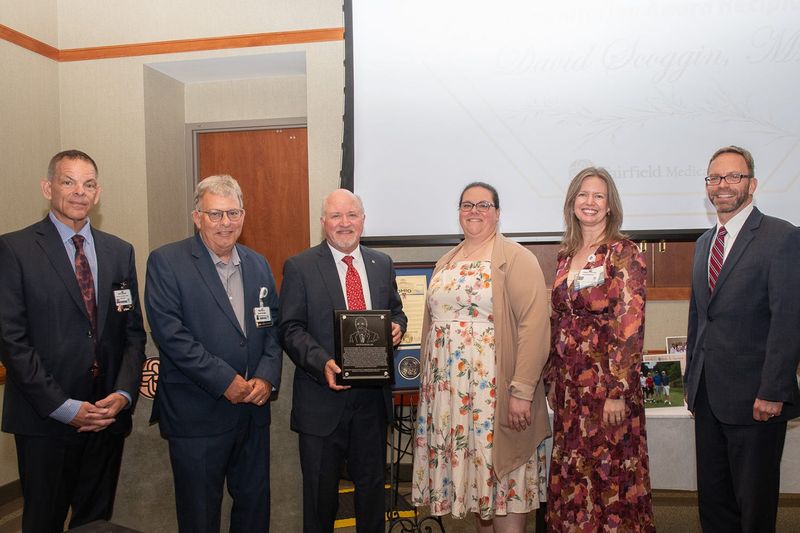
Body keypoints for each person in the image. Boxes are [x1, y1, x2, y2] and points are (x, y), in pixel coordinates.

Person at [0, 150, 147, 532]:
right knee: (42, 521)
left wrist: (123, 394)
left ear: (98, 193)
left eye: (89, 184)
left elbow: (132, 332)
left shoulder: (119, 251)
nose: (79, 192)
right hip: (46, 419)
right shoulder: (14, 250)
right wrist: (65, 407)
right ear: (48, 188)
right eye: (68, 182)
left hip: (106, 416)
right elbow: (12, 341)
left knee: (95, 522)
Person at [145, 175, 282, 533]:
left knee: (254, 508)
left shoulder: (258, 264)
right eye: (215, 214)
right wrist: (225, 381)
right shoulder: (166, 262)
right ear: (197, 217)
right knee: (200, 516)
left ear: (243, 215)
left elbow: (272, 330)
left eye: (233, 213)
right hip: (197, 414)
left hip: (252, 413)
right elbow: (171, 335)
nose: (226, 223)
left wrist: (266, 376)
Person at [411, 182, 550, 533]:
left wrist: (521, 391)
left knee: (503, 484)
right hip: (451, 398)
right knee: (479, 495)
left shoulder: (517, 258)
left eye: (484, 204)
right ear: (458, 211)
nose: (474, 210)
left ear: (498, 212)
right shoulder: (447, 259)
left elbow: (534, 328)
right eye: (467, 204)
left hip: (495, 394)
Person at [684, 145, 800, 532]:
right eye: (715, 178)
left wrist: (773, 391)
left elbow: (788, 320)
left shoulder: (781, 237)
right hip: (708, 398)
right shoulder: (704, 243)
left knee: (754, 507)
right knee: (714, 504)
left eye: (733, 176)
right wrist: (691, 385)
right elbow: (700, 318)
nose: (723, 185)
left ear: (752, 182)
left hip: (756, 401)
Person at [279, 189, 407, 533]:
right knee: (320, 500)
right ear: (323, 223)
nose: (344, 223)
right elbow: (289, 328)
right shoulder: (300, 266)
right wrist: (321, 363)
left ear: (363, 220)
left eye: (352, 215)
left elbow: (396, 311)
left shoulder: (382, 264)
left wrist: (397, 327)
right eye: (336, 216)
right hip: (322, 401)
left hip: (371, 403)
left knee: (371, 496)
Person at [544, 167, 654, 532]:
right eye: (583, 195)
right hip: (569, 392)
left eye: (598, 196)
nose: (589, 203)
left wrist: (618, 392)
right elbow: (559, 320)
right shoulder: (566, 255)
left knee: (609, 481)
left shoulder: (623, 252)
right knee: (574, 480)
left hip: (606, 392)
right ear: (572, 203)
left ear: (610, 207)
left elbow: (630, 325)